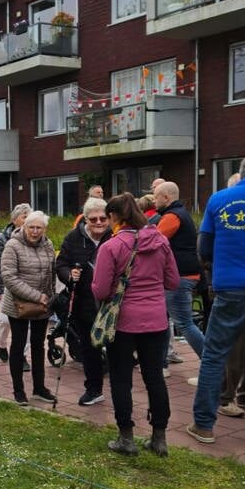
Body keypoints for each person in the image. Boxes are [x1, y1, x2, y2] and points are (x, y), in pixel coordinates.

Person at [187, 153, 245, 453]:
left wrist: (218, 265)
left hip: (230, 288)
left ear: (242, 173)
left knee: (214, 355)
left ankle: (204, 425)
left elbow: (204, 246)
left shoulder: (218, 199)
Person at [94, 193, 181, 455]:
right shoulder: (161, 241)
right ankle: (159, 437)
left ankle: (126, 437)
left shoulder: (111, 247)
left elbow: (100, 290)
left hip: (123, 322)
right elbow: (173, 281)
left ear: (114, 217)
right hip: (156, 320)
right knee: (154, 377)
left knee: (121, 378)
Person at [0, 209, 59, 407]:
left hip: (42, 304)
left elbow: (51, 273)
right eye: (31, 227)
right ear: (24, 227)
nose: (35, 231)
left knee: (38, 345)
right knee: (18, 345)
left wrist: (51, 297)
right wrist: (37, 296)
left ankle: (39, 388)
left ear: (45, 229)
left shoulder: (48, 244)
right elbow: (9, 278)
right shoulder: (12, 245)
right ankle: (19, 390)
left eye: (39, 228)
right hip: (18, 304)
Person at [57, 197, 111, 406]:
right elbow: (61, 263)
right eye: (93, 219)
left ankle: (120, 388)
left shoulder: (114, 236)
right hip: (84, 302)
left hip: (111, 304)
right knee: (89, 349)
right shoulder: (73, 238)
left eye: (103, 218)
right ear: (85, 219)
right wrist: (69, 274)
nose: (99, 222)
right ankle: (94, 389)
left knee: (116, 350)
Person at [151, 179, 204, 363]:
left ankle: (212, 367)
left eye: (156, 197)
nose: (153, 201)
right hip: (183, 274)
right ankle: (162, 361)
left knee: (184, 323)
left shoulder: (172, 217)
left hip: (179, 276)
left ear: (166, 198)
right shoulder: (181, 213)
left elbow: (153, 241)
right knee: (163, 319)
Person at [0, 203, 32, 361]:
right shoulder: (3, 238)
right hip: (5, 288)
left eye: (29, 217)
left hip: (26, 288)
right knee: (5, 321)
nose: (27, 220)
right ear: (14, 220)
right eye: (24, 217)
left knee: (25, 325)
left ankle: (22, 356)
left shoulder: (33, 238)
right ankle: (1, 344)